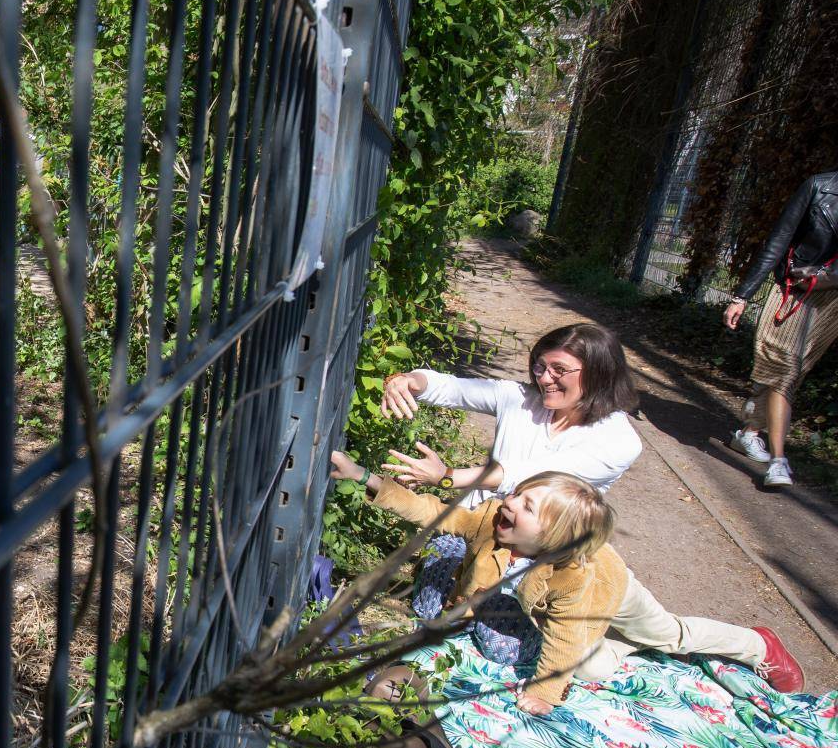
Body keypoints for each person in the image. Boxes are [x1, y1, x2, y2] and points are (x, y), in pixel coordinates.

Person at [328, 452, 805, 707]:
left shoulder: (580, 580)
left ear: (553, 535)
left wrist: (541, 693)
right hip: (544, 604)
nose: (508, 503)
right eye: (518, 495)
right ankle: (618, 647)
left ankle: (756, 645)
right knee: (596, 665)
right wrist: (365, 477)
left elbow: (564, 637)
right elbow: (434, 511)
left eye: (526, 506)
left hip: (612, 593)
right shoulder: (495, 521)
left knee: (665, 637)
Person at [379, 323, 643, 619]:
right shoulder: (519, 400)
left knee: (660, 634)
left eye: (559, 369)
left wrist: (448, 475)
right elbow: (451, 387)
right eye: (540, 366)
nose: (545, 378)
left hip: (546, 558)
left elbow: (532, 475)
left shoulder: (620, 441)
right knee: (430, 610)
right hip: (475, 531)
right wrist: (406, 380)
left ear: (598, 372)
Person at [722, 170, 838, 489]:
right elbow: (778, 241)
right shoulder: (819, 187)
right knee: (784, 370)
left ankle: (748, 434)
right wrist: (741, 296)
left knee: (792, 373)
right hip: (794, 290)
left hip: (832, 300)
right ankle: (778, 461)